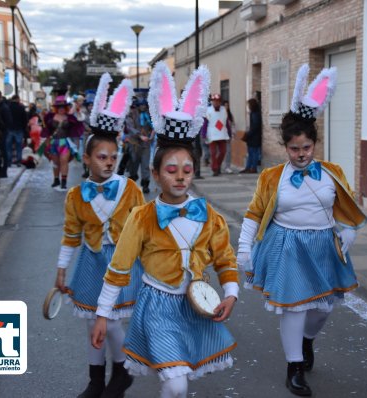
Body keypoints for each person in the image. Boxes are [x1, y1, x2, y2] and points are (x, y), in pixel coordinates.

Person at [92, 62, 239, 398]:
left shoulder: (209, 216)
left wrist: (230, 293)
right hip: (157, 305)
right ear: (156, 174)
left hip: (197, 304)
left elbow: (225, 259)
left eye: (187, 169)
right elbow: (119, 268)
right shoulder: (142, 217)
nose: (180, 176)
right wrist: (102, 314)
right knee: (175, 382)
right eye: (171, 169)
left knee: (180, 381)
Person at [237, 64, 367, 397]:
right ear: (285, 147)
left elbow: (348, 211)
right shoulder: (271, 177)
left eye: (306, 148)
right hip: (287, 245)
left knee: (321, 309)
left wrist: (348, 235)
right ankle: (294, 367)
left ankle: (307, 341)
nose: (301, 154)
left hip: (323, 245)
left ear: (314, 144)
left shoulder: (333, 172)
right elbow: (254, 213)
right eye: (295, 149)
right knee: (293, 307)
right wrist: (244, 248)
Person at [54, 74, 143, 398]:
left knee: (113, 323)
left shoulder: (130, 189)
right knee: (92, 324)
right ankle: (95, 380)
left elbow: (143, 230)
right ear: (87, 158)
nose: (108, 162)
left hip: (120, 265)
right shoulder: (76, 196)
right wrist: (62, 268)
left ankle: (121, 371)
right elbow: (70, 235)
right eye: (101, 157)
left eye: (113, 157)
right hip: (91, 263)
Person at [42, 96, 81, 190]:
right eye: (59, 107)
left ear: (66, 108)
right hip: (54, 142)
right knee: (55, 162)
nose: (61, 109)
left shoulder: (70, 118)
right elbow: (46, 129)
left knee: (64, 161)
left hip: (65, 142)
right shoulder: (50, 117)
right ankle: (56, 180)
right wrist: (46, 140)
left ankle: (64, 181)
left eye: (63, 107)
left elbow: (77, 128)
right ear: (56, 108)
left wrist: (76, 143)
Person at [126, 100, 153, 193]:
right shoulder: (132, 115)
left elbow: (153, 126)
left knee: (145, 165)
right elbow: (130, 127)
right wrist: (139, 135)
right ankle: (132, 180)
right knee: (134, 164)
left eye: (144, 105)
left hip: (146, 144)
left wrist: (151, 135)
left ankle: (145, 184)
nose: (143, 107)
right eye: (141, 105)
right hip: (134, 143)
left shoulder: (149, 115)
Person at [202, 93, 230, 176]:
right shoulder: (208, 110)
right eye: (214, 101)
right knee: (213, 153)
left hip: (222, 134)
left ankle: (217, 165)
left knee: (223, 152)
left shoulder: (224, 110)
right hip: (212, 134)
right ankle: (215, 169)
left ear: (220, 102)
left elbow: (226, 122)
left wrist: (229, 132)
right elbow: (205, 123)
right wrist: (204, 133)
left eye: (217, 101)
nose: (215, 103)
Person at [5, 95, 28, 168]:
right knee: (19, 146)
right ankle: (18, 161)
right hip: (19, 128)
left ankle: (9, 161)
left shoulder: (8, 107)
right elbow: (25, 119)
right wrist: (24, 128)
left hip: (9, 128)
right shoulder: (21, 107)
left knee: (8, 146)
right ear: (18, 99)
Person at [241, 98, 262, 174]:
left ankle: (253, 168)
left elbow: (255, 126)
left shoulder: (255, 114)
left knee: (253, 153)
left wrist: (248, 134)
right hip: (253, 137)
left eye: (249, 105)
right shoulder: (254, 113)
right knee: (250, 153)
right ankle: (248, 167)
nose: (248, 106)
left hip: (254, 138)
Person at [222, 100, 235, 173]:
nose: (226, 107)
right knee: (220, 152)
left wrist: (232, 134)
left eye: (227, 105)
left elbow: (233, 125)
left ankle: (227, 166)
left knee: (228, 152)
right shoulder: (219, 115)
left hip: (228, 136)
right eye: (225, 105)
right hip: (220, 136)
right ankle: (220, 166)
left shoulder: (230, 115)